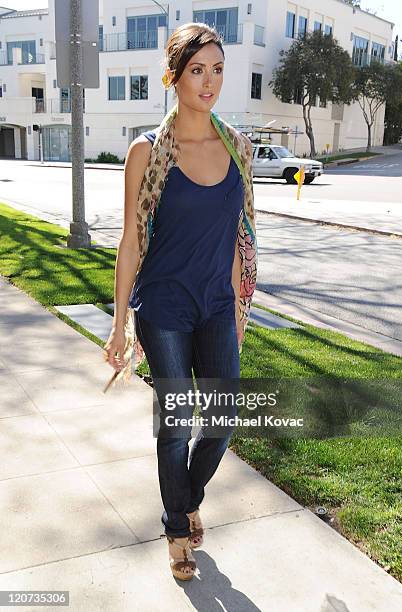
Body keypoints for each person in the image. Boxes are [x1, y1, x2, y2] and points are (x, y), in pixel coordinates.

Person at [103, 22, 256, 581]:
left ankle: (184, 497)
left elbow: (238, 238)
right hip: (164, 309)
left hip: (216, 306)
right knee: (177, 422)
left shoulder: (238, 148)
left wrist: (239, 312)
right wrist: (119, 326)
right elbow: (131, 240)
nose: (209, 81)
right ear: (174, 77)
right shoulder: (149, 152)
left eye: (218, 68)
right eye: (198, 70)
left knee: (221, 419)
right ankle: (177, 527)